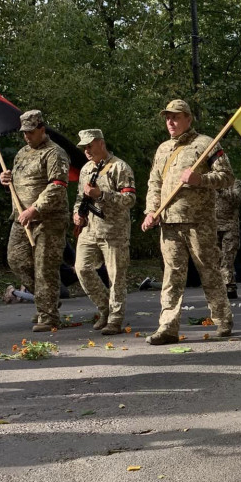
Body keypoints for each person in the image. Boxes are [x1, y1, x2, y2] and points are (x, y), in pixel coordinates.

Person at [142, 98, 234, 344]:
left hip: (198, 222)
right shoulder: (163, 149)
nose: (170, 122)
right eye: (168, 117)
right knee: (171, 276)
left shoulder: (205, 144)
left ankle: (223, 319)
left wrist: (200, 179)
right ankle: (168, 327)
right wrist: (151, 211)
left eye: (176, 117)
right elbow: (154, 183)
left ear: (188, 119)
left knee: (209, 271)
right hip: (169, 222)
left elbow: (227, 177)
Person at [0, 109, 70, 331]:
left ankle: (49, 316)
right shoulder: (21, 153)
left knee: (44, 266)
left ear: (42, 129)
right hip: (21, 218)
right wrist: (6, 179)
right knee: (16, 259)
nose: (27, 136)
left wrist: (35, 209)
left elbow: (57, 186)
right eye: (24, 133)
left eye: (31, 132)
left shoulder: (54, 153)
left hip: (49, 219)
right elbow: (18, 183)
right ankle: (46, 300)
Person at [73, 128, 137, 334]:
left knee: (116, 276)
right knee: (81, 268)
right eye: (84, 147)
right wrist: (76, 213)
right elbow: (79, 199)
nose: (87, 150)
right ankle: (104, 308)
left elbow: (130, 199)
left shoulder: (119, 167)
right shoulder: (85, 170)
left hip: (114, 231)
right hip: (90, 230)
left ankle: (115, 319)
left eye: (90, 145)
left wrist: (101, 195)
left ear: (101, 143)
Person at [216, 176, 241, 299]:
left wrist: (221, 189)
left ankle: (228, 287)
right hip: (213, 226)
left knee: (227, 258)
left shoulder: (236, 183)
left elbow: (236, 199)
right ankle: (227, 286)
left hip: (229, 227)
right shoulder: (210, 183)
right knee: (216, 258)